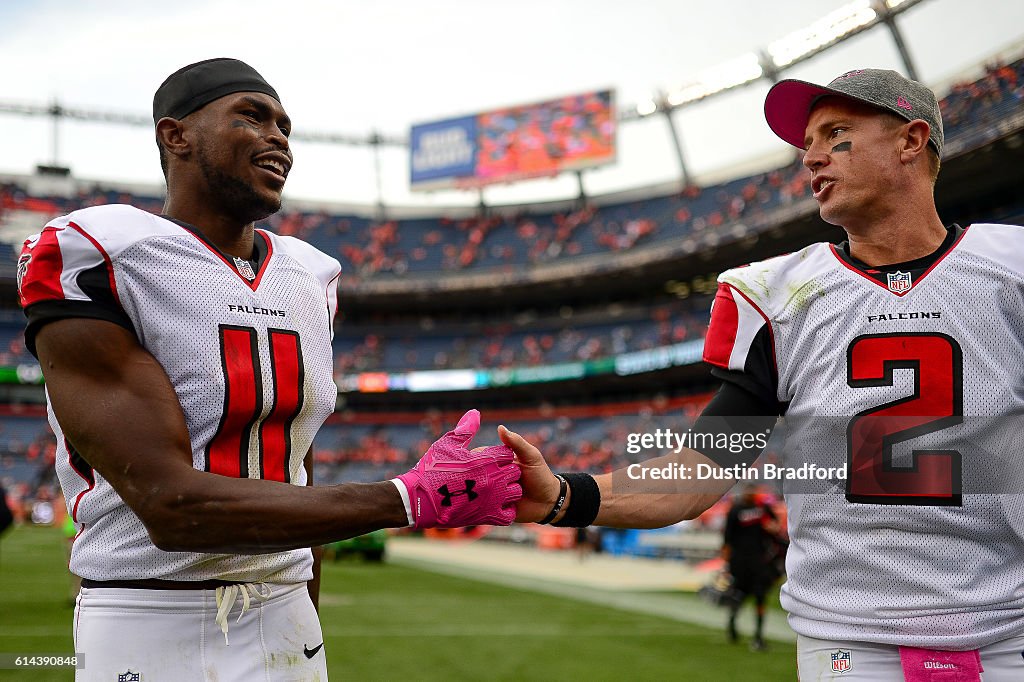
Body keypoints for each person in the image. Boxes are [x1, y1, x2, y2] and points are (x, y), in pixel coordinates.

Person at [503, 68, 1024, 681]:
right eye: (808, 143)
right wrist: (564, 496)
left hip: (1010, 631)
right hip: (850, 644)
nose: (812, 157)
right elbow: (698, 472)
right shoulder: (780, 296)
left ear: (911, 141)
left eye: (837, 135)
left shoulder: (1009, 270)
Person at [17, 58, 522, 682]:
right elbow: (171, 505)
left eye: (284, 125)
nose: (278, 138)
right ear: (176, 135)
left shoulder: (311, 276)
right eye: (252, 116)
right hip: (148, 611)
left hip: (287, 614)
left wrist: (308, 608)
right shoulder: (102, 251)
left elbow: (298, 471)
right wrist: (406, 497)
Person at [721, 484, 784, 651]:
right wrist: (727, 563)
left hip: (759, 560)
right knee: (739, 595)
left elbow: (776, 527)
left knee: (760, 596)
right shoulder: (736, 510)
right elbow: (727, 537)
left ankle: (758, 635)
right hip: (740, 561)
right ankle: (732, 623)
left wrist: (772, 527)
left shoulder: (763, 508)